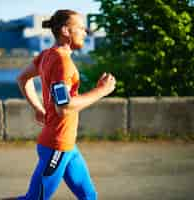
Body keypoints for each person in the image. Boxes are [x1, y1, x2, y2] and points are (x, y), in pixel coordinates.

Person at [16, 9, 116, 200]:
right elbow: (63, 107)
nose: (86, 32)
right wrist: (101, 91)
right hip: (57, 146)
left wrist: (38, 108)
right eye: (81, 28)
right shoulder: (62, 62)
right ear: (66, 31)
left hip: (68, 145)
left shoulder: (47, 55)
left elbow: (22, 78)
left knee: (89, 197)